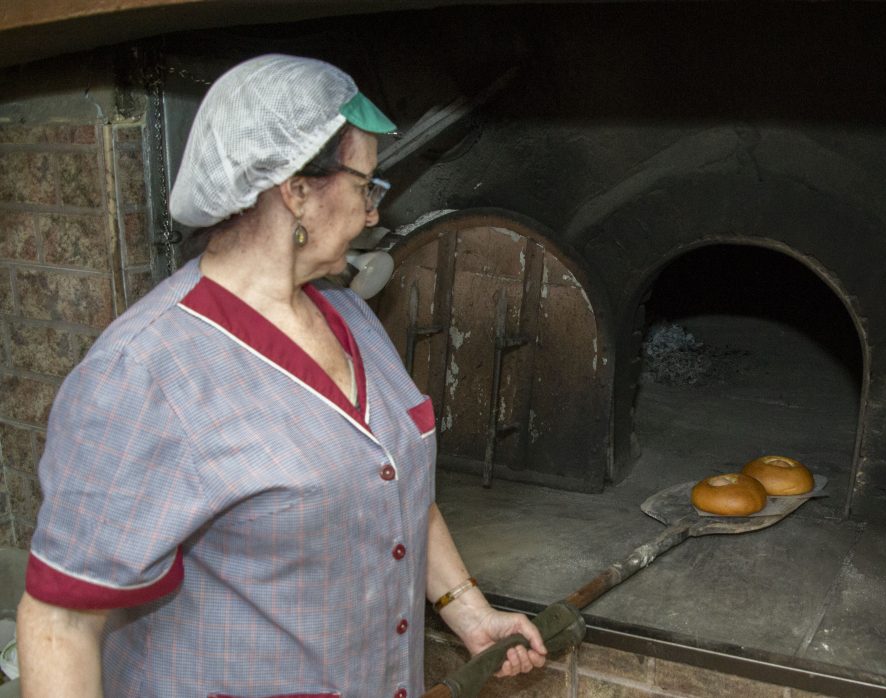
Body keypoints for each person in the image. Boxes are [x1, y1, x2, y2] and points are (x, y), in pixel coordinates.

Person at [16, 53, 546, 697]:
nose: (374, 214)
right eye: (364, 187)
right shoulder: (144, 373)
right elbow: (61, 621)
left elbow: (393, 480)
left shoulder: (351, 315)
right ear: (295, 190)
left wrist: (467, 608)